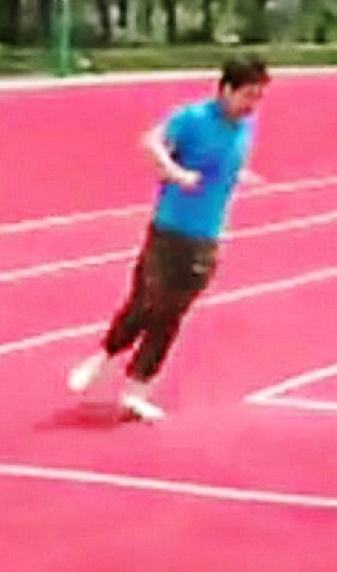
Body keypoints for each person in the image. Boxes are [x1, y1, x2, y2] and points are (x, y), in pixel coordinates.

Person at [67, 55, 271, 421]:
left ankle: (137, 389)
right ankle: (104, 357)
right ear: (227, 89)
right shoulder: (193, 118)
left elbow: (230, 162)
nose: (253, 104)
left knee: (171, 314)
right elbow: (150, 143)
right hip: (169, 229)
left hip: (206, 238)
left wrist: (240, 175)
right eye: (248, 95)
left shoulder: (246, 127)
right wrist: (174, 171)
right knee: (145, 303)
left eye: (259, 97)